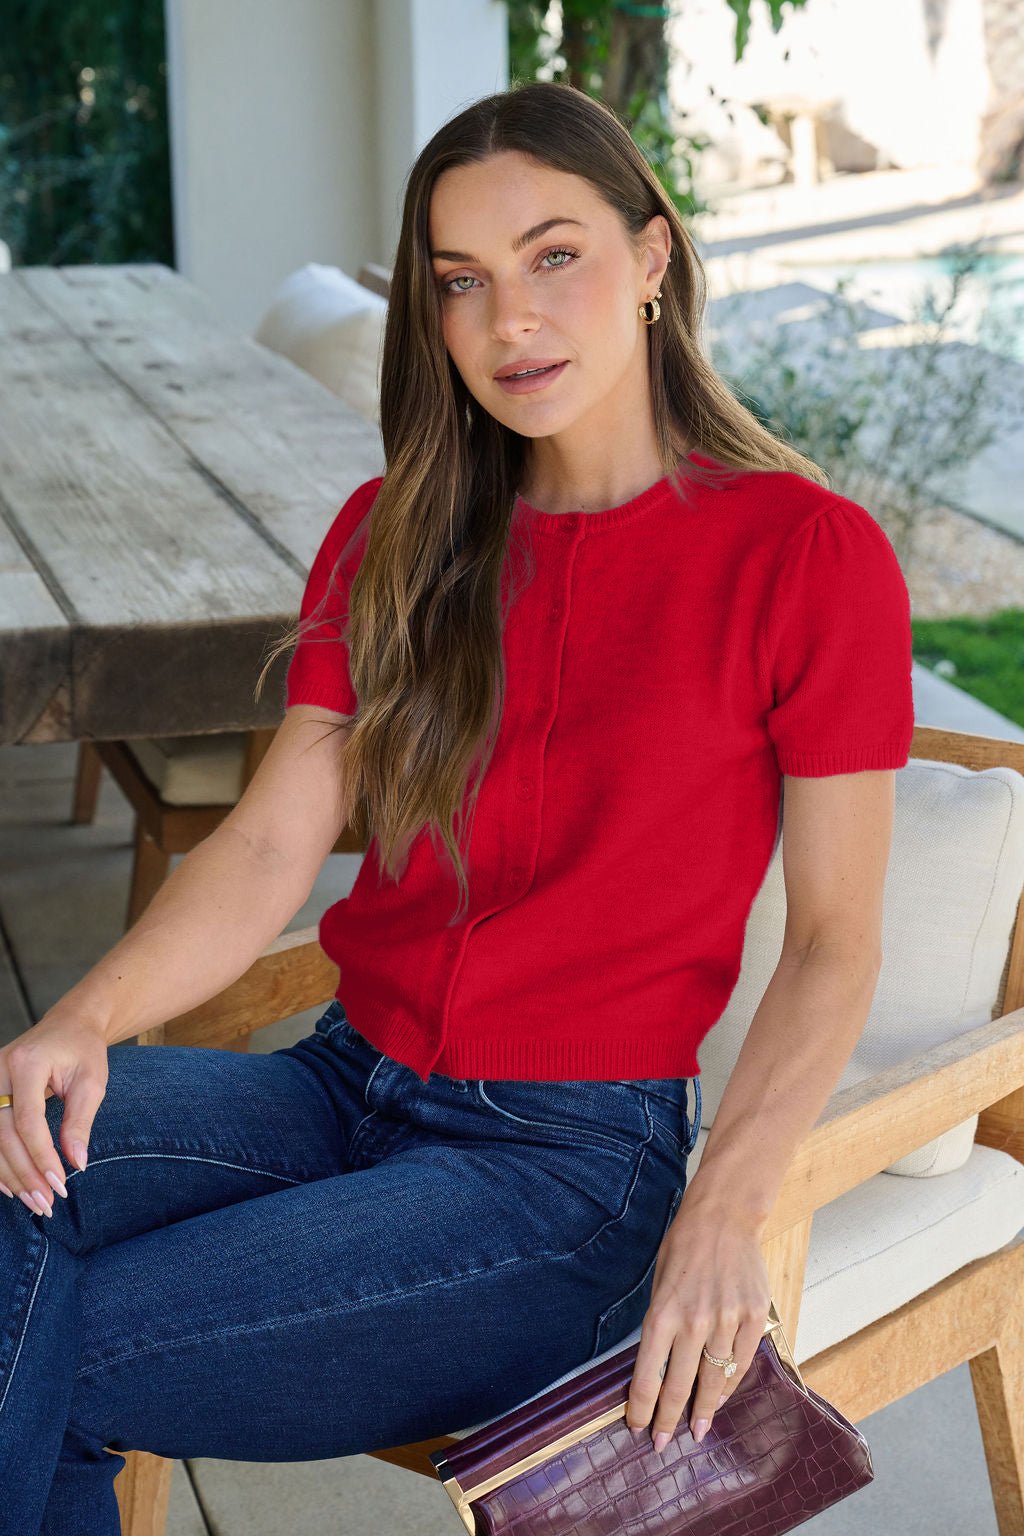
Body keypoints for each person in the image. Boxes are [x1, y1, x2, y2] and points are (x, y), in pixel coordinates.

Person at [0, 79, 914, 1534]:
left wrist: (725, 1206)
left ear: (654, 258)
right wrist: (80, 1022)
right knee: (7, 1148)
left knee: (55, 1351)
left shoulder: (804, 554)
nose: (511, 319)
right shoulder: (399, 537)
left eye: (555, 256)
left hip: (560, 1173)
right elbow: (268, 843)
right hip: (337, 1087)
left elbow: (833, 943)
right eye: (462, 281)